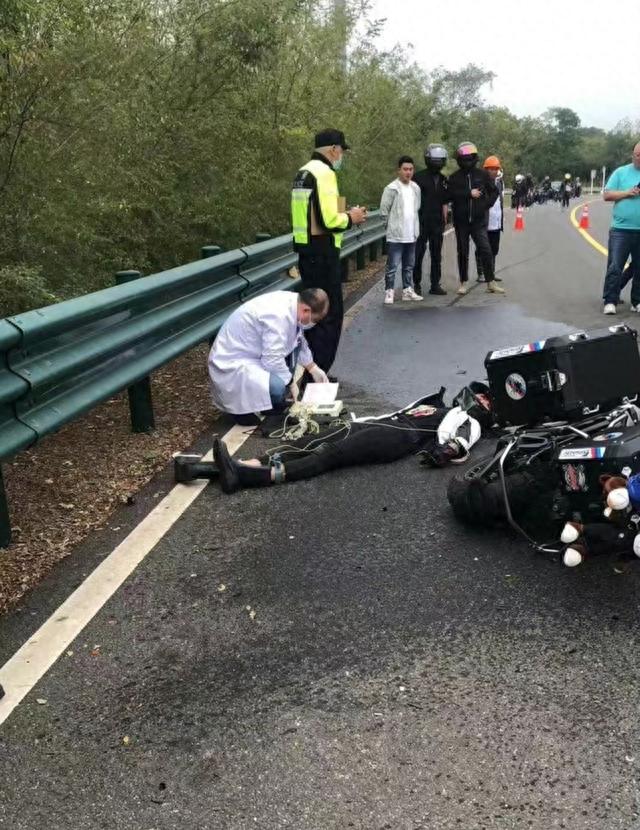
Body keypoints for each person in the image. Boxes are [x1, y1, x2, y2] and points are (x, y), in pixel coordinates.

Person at [210, 391, 481, 493]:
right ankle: (244, 464)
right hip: (378, 423)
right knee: (312, 440)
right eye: (479, 395)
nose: (480, 399)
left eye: (486, 401)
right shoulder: (436, 403)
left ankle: (254, 477)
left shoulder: (469, 419)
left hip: (398, 436)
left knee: (331, 453)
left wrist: (448, 450)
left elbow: (463, 439)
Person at [291, 128, 367, 373]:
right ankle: (320, 373)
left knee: (310, 316)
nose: (341, 155)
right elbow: (327, 221)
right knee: (328, 315)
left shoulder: (302, 173)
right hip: (323, 254)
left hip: (306, 254)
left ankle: (306, 369)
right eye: (341, 150)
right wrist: (351, 217)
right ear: (334, 149)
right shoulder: (324, 173)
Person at [208, 288, 330, 423]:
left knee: (287, 365)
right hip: (233, 363)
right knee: (277, 386)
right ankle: (241, 413)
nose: (313, 323)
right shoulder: (278, 316)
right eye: (314, 319)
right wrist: (290, 383)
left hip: (253, 353)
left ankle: (267, 404)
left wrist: (312, 367)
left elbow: (298, 340)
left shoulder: (295, 303)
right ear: (306, 310)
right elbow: (272, 360)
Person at [447, 141, 504, 296]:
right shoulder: (454, 178)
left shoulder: (482, 175)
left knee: (486, 250)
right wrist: (468, 194)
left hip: (478, 221)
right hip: (462, 221)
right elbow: (449, 195)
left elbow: (494, 192)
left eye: (470, 154)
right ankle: (463, 282)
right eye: (464, 154)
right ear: (459, 157)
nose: (467, 157)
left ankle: (490, 282)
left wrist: (485, 205)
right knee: (463, 251)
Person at [601, 142, 640, 315]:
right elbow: (607, 194)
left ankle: (637, 301)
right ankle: (610, 300)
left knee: (639, 267)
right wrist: (627, 193)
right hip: (621, 229)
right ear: (633, 154)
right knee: (615, 265)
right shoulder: (621, 172)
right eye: (638, 155)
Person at [380, 156, 423, 304]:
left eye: (411, 169)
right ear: (399, 170)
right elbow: (384, 211)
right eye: (405, 169)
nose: (408, 172)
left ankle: (407, 290)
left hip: (411, 233)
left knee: (409, 265)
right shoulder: (391, 188)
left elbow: (417, 207)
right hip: (396, 235)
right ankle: (389, 291)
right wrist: (390, 227)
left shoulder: (416, 188)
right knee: (392, 265)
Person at [413, 144, 449, 296]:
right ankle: (416, 284)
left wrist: (445, 214)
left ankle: (435, 284)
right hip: (421, 220)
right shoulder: (418, 177)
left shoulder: (443, 179)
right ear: (428, 160)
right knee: (418, 254)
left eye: (440, 160)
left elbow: (445, 200)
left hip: (437, 222)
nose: (437, 163)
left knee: (436, 254)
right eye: (435, 160)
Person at [475, 156, 504, 283]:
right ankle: (481, 273)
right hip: (484, 221)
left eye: (496, 169)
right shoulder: (481, 183)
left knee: (494, 248)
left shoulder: (500, 183)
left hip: (496, 222)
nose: (493, 171)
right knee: (482, 249)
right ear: (486, 169)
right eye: (491, 169)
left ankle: (490, 273)